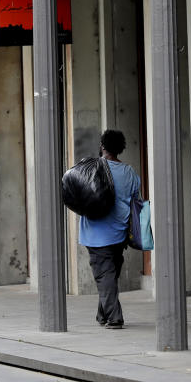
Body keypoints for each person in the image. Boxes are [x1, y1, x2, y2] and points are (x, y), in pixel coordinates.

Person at [78, 129, 140, 329]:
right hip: (120, 232)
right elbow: (136, 200)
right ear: (120, 148)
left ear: (102, 146)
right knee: (109, 275)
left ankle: (114, 318)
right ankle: (102, 315)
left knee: (105, 276)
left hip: (96, 233)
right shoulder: (129, 172)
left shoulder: (91, 167)